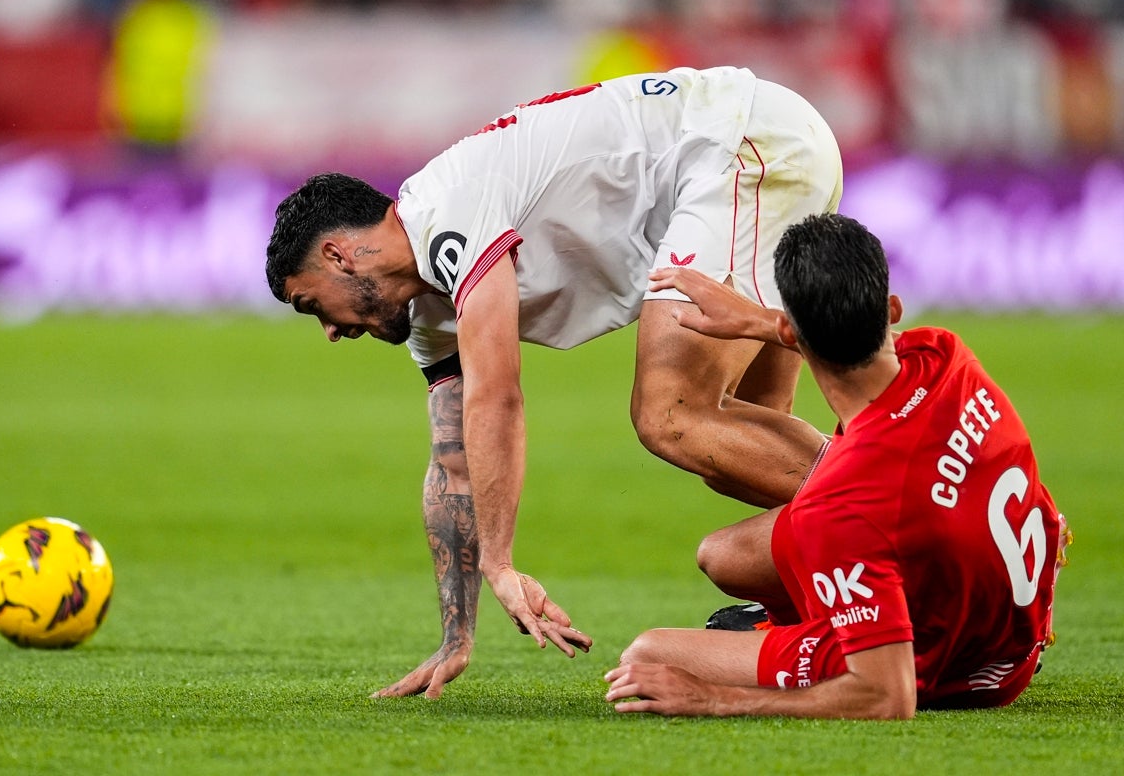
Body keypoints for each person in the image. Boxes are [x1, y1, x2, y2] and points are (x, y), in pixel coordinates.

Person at [264, 65, 844, 698]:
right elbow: (454, 465)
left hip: (737, 146)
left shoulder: (443, 214)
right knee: (741, 445)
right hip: (752, 145)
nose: (327, 329)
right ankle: (847, 601)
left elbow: (498, 397)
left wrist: (501, 560)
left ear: (336, 257)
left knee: (672, 415)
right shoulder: (430, 307)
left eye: (310, 304)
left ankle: (910, 513)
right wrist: (457, 636)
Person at [605, 213, 1069, 718]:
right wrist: (753, 320)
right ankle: (839, 619)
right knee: (723, 555)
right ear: (891, 309)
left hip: (966, 671)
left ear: (788, 329)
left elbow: (887, 697)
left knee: (647, 654)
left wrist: (711, 698)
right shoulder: (944, 357)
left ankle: (839, 634)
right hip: (1012, 623)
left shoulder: (843, 504)